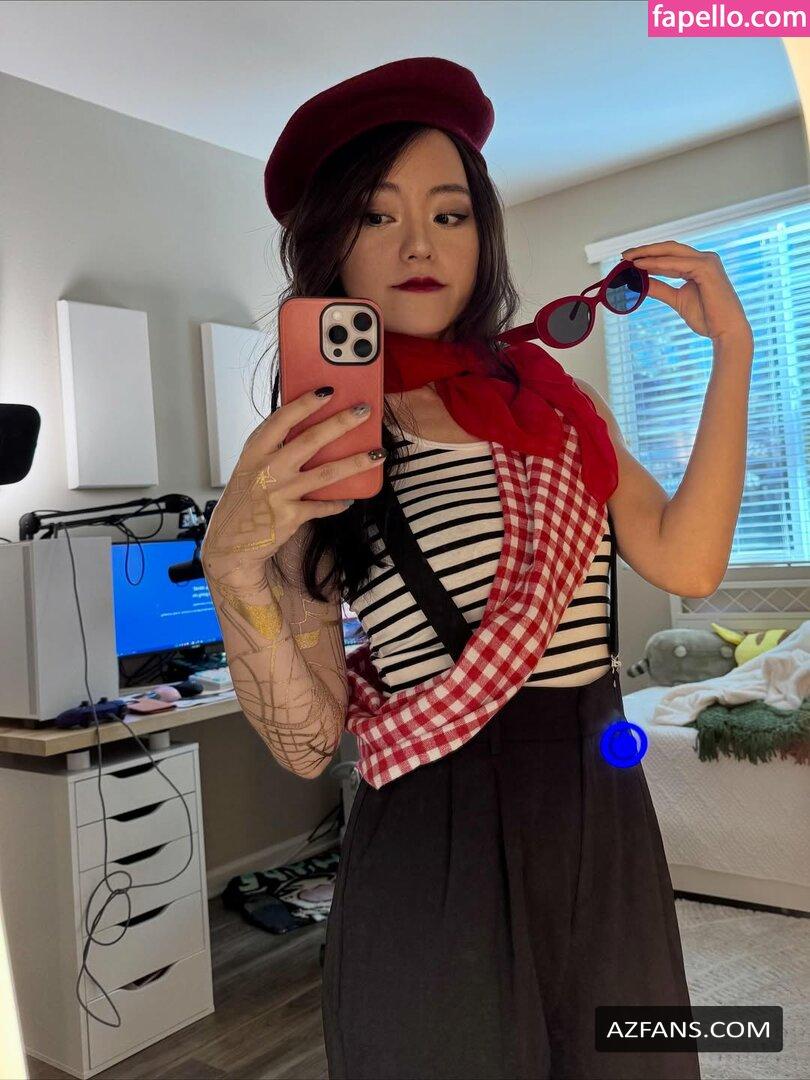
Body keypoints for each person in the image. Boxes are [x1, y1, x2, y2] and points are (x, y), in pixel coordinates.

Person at [202, 56, 708, 1080]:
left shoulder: (556, 404)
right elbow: (310, 746)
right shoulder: (312, 447)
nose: (421, 244)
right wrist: (232, 568)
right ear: (331, 246)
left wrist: (734, 353)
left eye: (450, 213)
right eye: (378, 215)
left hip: (600, 805)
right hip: (433, 832)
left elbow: (687, 561)